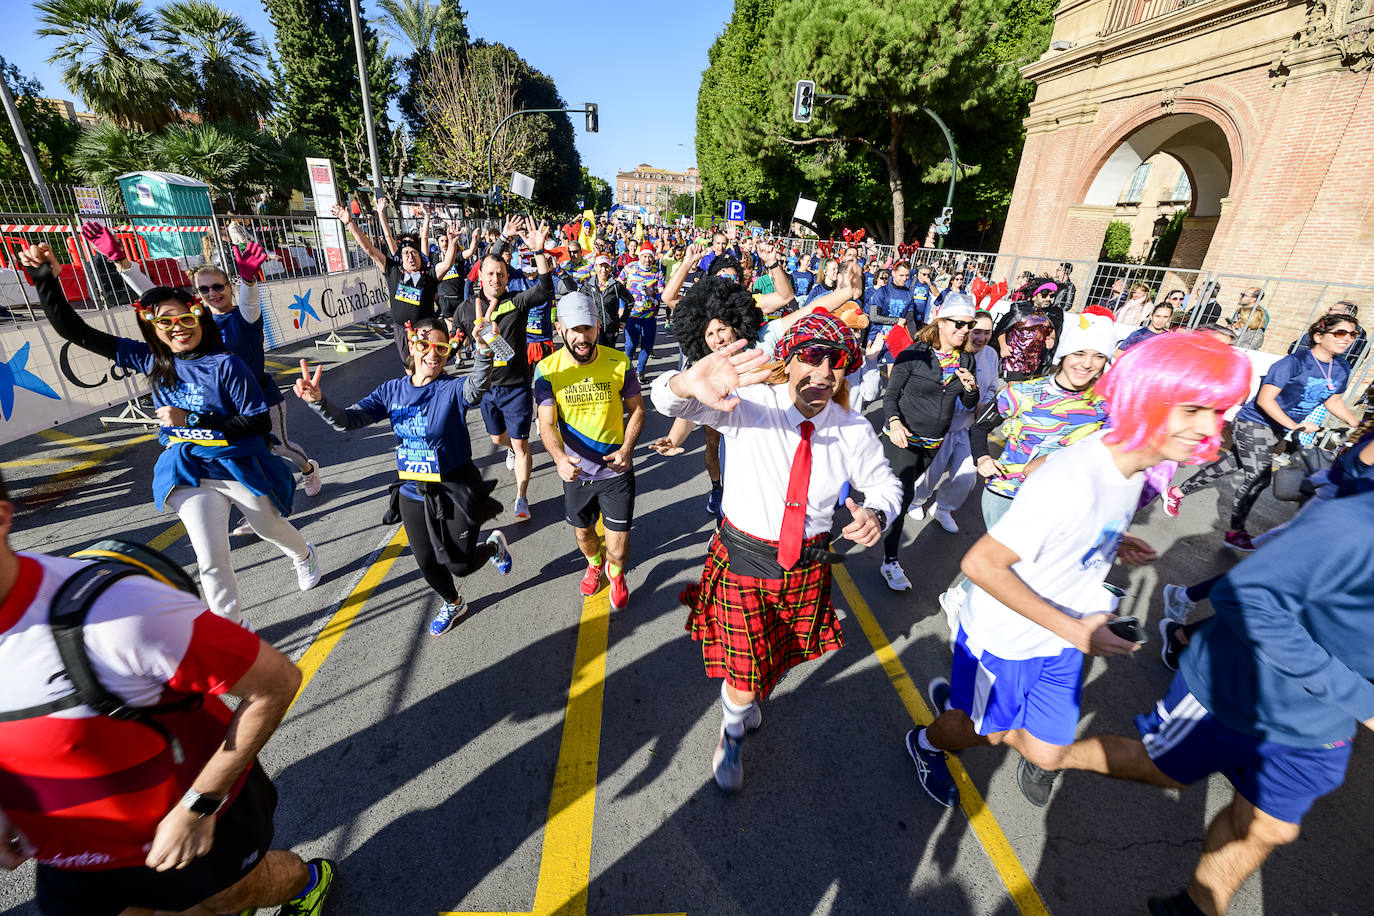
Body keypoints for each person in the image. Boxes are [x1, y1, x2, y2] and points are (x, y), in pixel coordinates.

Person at [907, 332, 1252, 812]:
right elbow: (980, 564)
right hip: (1009, 641)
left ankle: (968, 703)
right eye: (1192, 409)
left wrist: (1109, 540)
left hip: (1059, 637)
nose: (1207, 426)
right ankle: (928, 740)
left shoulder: (1133, 467)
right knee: (984, 731)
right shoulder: (1074, 476)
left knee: (1046, 752)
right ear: (1147, 398)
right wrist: (1077, 630)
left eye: (1216, 411)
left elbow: (1075, 527)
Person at [0, 471, 335, 916]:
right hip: (67, 852)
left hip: (179, 827)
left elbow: (276, 683)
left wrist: (199, 806)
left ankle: (307, 882)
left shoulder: (118, 612)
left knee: (224, 901)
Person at [1039, 489, 1374, 916]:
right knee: (1162, 770)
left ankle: (1197, 907)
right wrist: (1361, 699)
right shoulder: (1356, 524)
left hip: (1320, 722)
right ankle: (1050, 752)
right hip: (1239, 688)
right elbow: (1243, 597)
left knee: (1269, 827)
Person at [651, 311, 901, 792]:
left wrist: (877, 513)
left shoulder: (853, 429)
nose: (824, 372)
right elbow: (669, 403)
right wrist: (686, 380)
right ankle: (731, 734)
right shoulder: (748, 404)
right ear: (789, 359)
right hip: (744, 559)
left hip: (805, 566)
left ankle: (741, 707)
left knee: (770, 662)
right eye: (812, 356)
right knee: (744, 675)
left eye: (836, 361)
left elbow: (885, 485)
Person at [20, 244, 319, 625]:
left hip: (240, 464)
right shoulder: (151, 358)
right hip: (188, 468)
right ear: (153, 327)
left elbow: (258, 423)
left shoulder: (226, 364)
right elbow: (74, 331)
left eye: (185, 320)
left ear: (200, 320)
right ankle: (233, 633)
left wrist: (191, 419)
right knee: (211, 558)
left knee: (268, 527)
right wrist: (46, 281)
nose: (178, 328)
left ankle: (302, 554)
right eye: (165, 322)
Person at [80, 222, 326, 514]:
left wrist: (249, 279)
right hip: (220, 404)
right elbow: (153, 295)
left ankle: (309, 469)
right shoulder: (192, 322)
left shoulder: (244, 317)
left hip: (259, 398)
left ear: (229, 287)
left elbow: (249, 298)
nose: (212, 293)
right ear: (197, 295)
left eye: (218, 286)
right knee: (237, 455)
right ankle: (258, 508)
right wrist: (121, 262)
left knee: (277, 447)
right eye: (204, 289)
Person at [294, 318, 513, 636]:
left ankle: (494, 547)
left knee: (460, 564)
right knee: (426, 562)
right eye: (425, 345)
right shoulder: (391, 391)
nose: (433, 354)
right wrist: (319, 402)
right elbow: (348, 421)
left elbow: (475, 389)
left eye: (442, 347)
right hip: (413, 488)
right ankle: (454, 603)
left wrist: (482, 350)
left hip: (454, 487)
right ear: (412, 345)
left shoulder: (450, 389)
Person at [1168, 312, 1363, 551]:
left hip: (1278, 428)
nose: (1348, 338)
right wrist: (1296, 426)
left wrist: (1358, 425)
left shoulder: (1341, 367)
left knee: (1230, 465)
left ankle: (1176, 491)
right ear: (1318, 335)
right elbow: (1265, 400)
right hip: (1255, 421)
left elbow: (1333, 401)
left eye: (1353, 334)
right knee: (1259, 478)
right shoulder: (1293, 363)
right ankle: (1235, 532)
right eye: (1340, 333)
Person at [534, 294, 645, 610]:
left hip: (616, 471)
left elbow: (637, 410)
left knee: (619, 549)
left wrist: (627, 449)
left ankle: (617, 572)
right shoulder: (546, 370)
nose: (582, 337)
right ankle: (595, 564)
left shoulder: (619, 363)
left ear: (598, 325)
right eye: (574, 329)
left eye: (588, 328)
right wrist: (559, 459)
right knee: (584, 537)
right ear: (560, 329)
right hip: (577, 473)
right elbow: (546, 424)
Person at [876, 296, 980, 591]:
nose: (964, 330)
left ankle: (877, 510)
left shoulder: (966, 359)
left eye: (969, 325)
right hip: (902, 438)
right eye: (958, 323)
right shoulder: (915, 353)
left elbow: (969, 401)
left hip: (933, 442)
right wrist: (895, 422)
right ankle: (890, 561)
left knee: (900, 495)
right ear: (941, 322)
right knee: (903, 495)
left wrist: (971, 388)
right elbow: (891, 395)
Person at [456, 219, 555, 522]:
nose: (496, 278)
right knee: (499, 439)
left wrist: (537, 251)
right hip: (487, 390)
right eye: (490, 274)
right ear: (481, 277)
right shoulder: (467, 309)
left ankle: (521, 497)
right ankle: (509, 447)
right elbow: (452, 340)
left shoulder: (517, 302)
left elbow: (546, 289)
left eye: (500, 274)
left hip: (516, 387)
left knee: (521, 443)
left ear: (506, 277)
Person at [647, 276, 766, 519]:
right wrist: (672, 440)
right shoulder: (703, 370)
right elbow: (691, 411)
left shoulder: (761, 356)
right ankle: (718, 490)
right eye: (709, 334)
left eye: (722, 329)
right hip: (738, 462)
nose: (717, 339)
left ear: (736, 325)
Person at [907, 309, 1001, 531]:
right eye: (976, 331)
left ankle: (943, 508)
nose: (981, 338)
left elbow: (993, 386)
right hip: (940, 428)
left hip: (967, 428)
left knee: (967, 476)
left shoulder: (991, 355)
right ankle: (916, 500)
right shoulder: (951, 353)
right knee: (931, 474)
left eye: (987, 333)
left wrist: (983, 404)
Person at [619, 241, 664, 376]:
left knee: (647, 344)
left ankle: (640, 370)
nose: (647, 260)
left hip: (650, 316)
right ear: (640, 256)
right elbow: (617, 288)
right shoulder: (629, 268)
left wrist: (654, 293)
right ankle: (627, 369)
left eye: (650, 257)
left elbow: (663, 295)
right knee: (630, 345)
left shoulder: (658, 272)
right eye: (645, 256)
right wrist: (621, 307)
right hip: (632, 315)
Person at [1287, 300, 1367, 367]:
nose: (1326, 311)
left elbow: (1297, 347)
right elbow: (1297, 346)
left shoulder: (1326, 325)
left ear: (1344, 312)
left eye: (1331, 309)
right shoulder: (1360, 332)